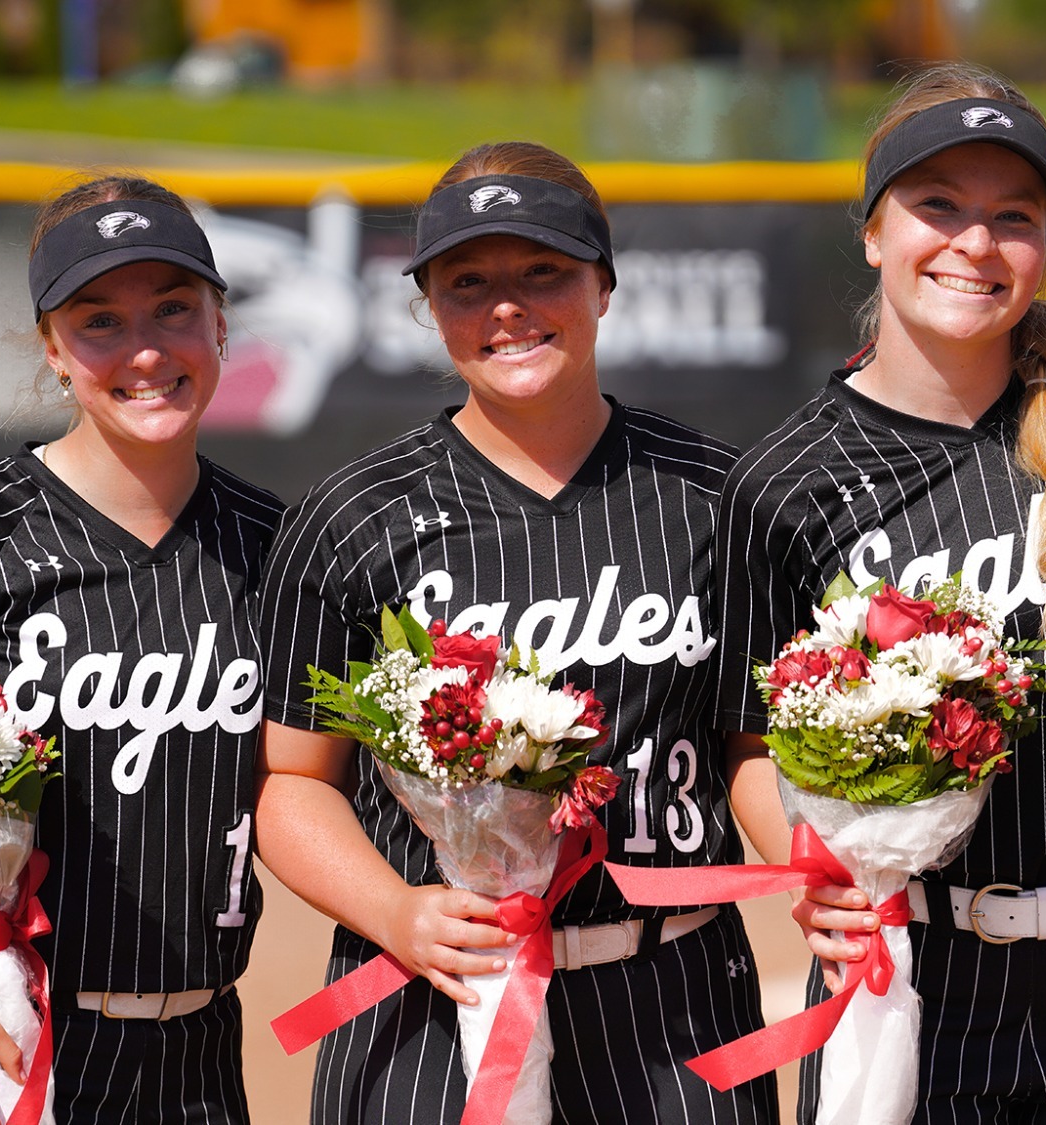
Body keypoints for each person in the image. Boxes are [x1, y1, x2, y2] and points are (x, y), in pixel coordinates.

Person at [714, 62, 1046, 1123]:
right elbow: (747, 740)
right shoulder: (786, 481)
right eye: (935, 206)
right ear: (871, 230)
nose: (974, 244)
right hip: (907, 975)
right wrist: (809, 870)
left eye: (1012, 217)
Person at [252, 141, 777, 1124]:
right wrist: (395, 913)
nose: (506, 305)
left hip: (676, 1007)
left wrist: (828, 868)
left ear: (604, 285)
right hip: (431, 1002)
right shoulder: (352, 515)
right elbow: (291, 780)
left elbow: (747, 745)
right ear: (427, 306)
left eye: (543, 271)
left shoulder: (715, 494)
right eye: (466, 282)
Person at [0, 175, 284, 1125]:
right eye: (100, 321)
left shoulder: (274, 546)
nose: (147, 349)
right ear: (51, 347)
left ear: (221, 324)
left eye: (174, 307)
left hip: (194, 1058)